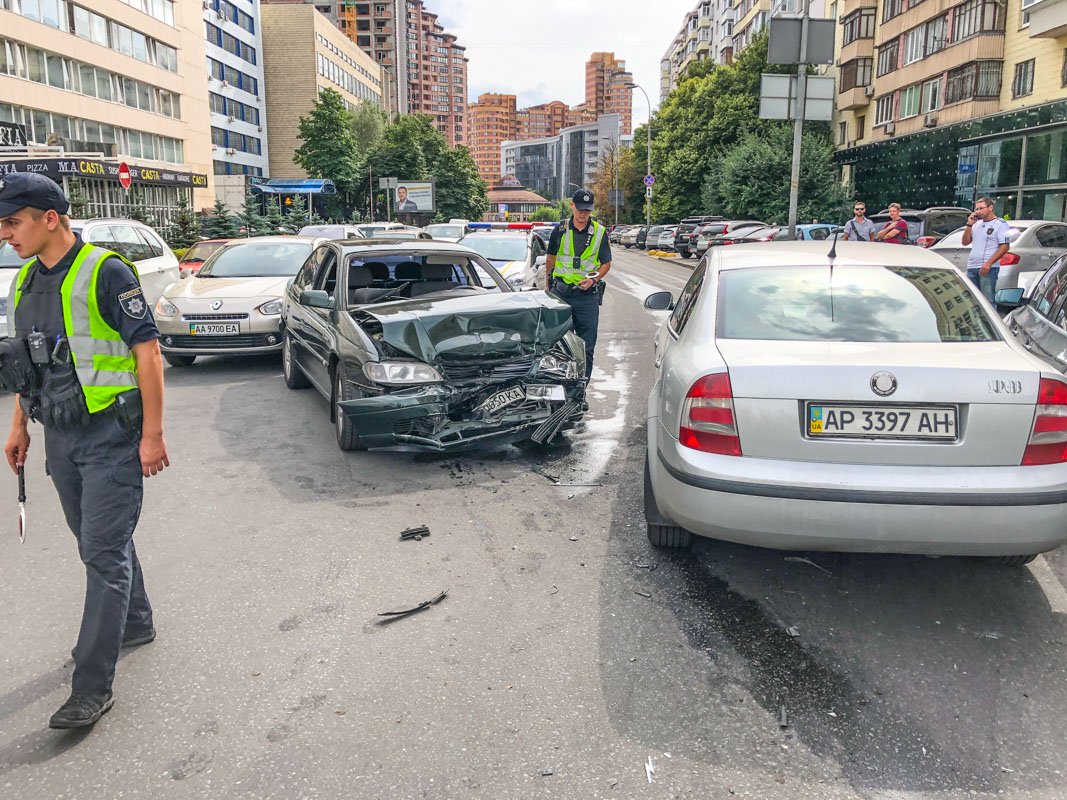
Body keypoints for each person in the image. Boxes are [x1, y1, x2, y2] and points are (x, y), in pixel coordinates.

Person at [0, 173, 169, 730]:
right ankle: (136, 621)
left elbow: (147, 353)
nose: (6, 235)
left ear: (50, 218)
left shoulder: (106, 271)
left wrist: (153, 434)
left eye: (13, 222)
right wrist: (20, 424)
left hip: (112, 437)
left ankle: (91, 687)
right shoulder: (24, 281)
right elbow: (27, 361)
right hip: (60, 437)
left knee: (101, 552)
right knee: (100, 544)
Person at [545, 188, 611, 378]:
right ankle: (561, 388)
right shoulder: (560, 230)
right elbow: (550, 258)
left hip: (586, 299)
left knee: (585, 347)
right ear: (572, 205)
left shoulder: (599, 232)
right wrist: (548, 284)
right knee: (558, 346)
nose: (583, 214)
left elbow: (606, 263)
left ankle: (581, 391)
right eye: (580, 209)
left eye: (587, 210)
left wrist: (594, 279)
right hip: (561, 295)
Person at [962, 196, 1011, 303]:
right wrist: (969, 224)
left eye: (981, 208)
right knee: (972, 300)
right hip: (972, 266)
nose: (978, 211)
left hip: (988, 268)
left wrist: (989, 263)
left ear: (990, 208)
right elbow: (965, 242)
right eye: (977, 209)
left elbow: (1005, 246)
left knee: (987, 300)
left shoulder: (1000, 224)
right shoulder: (976, 224)